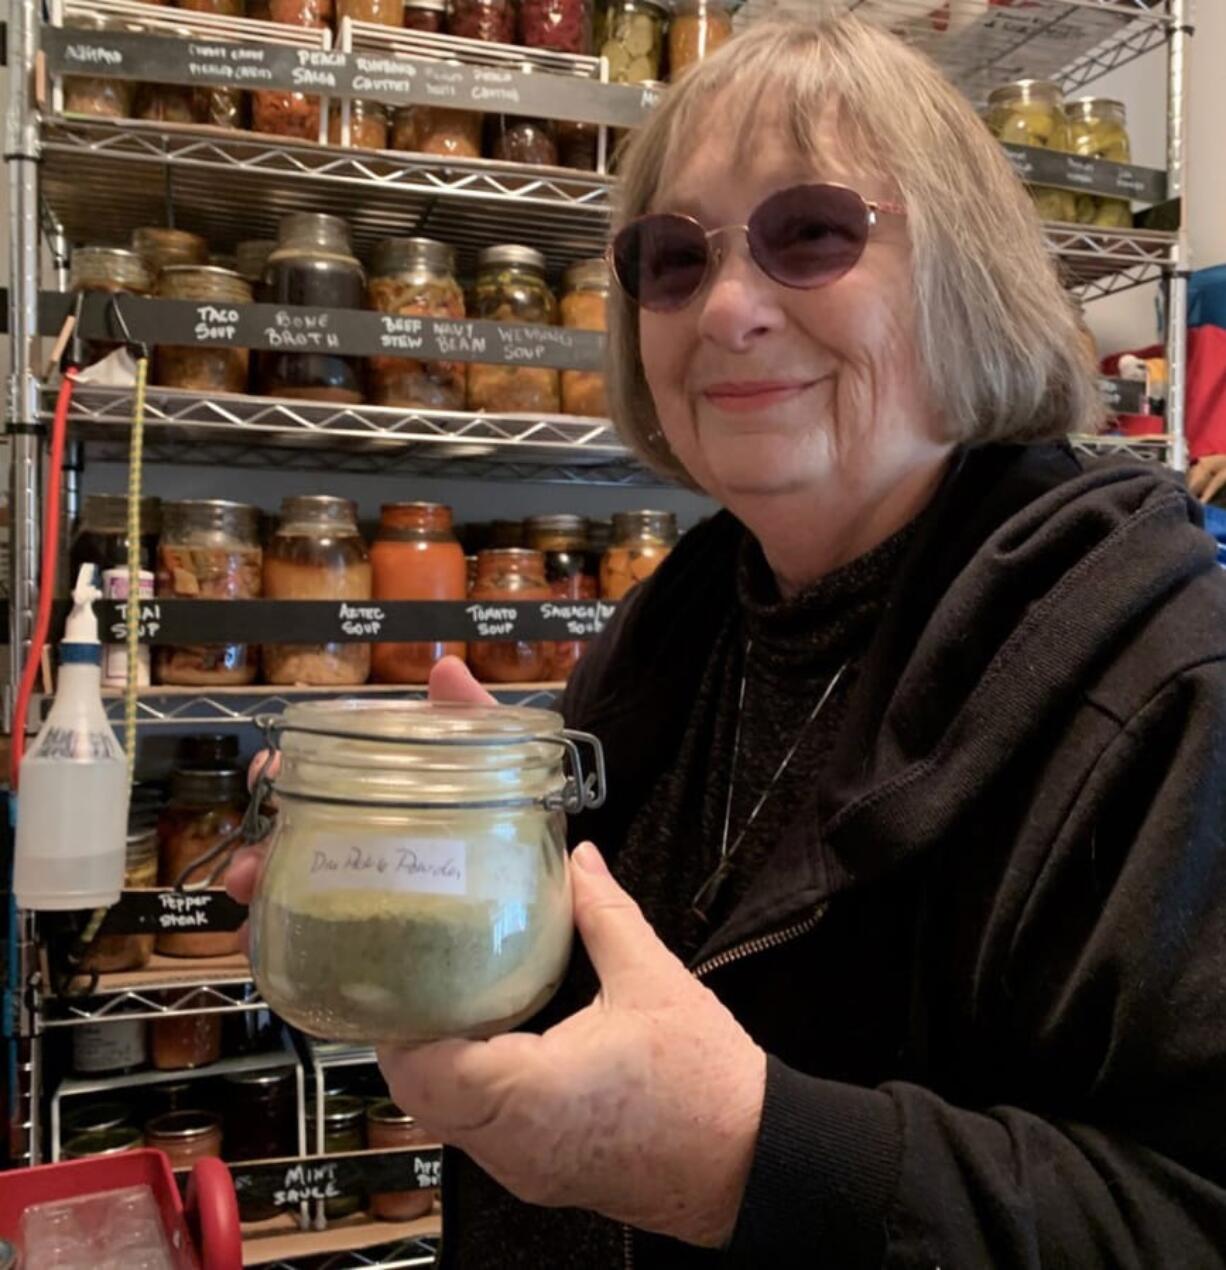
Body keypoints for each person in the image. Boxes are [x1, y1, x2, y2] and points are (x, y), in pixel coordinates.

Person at [229, 14, 1226, 1267]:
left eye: (808, 234)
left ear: (963, 269)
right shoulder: (672, 633)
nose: (725, 310)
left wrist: (753, 1159)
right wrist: (481, 867)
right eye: (671, 261)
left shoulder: (1162, 685)